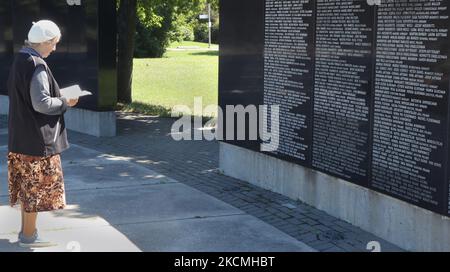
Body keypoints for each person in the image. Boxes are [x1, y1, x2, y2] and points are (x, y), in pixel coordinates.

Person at [7, 20, 78, 248]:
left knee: (29, 191)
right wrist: (65, 102)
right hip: (37, 143)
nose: (55, 49)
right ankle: (28, 238)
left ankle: (27, 233)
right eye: (54, 43)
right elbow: (41, 103)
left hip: (22, 138)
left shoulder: (21, 58)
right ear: (45, 41)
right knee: (34, 192)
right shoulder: (36, 64)